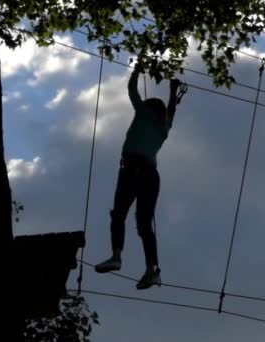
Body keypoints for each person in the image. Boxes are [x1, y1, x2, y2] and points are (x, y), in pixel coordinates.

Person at [95, 61, 183, 290]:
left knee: (118, 215)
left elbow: (132, 90)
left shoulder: (143, 113)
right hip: (151, 176)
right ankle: (151, 270)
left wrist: (137, 70)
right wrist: (173, 90)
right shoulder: (164, 127)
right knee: (144, 225)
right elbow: (172, 109)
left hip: (132, 170)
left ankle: (116, 256)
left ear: (148, 106)